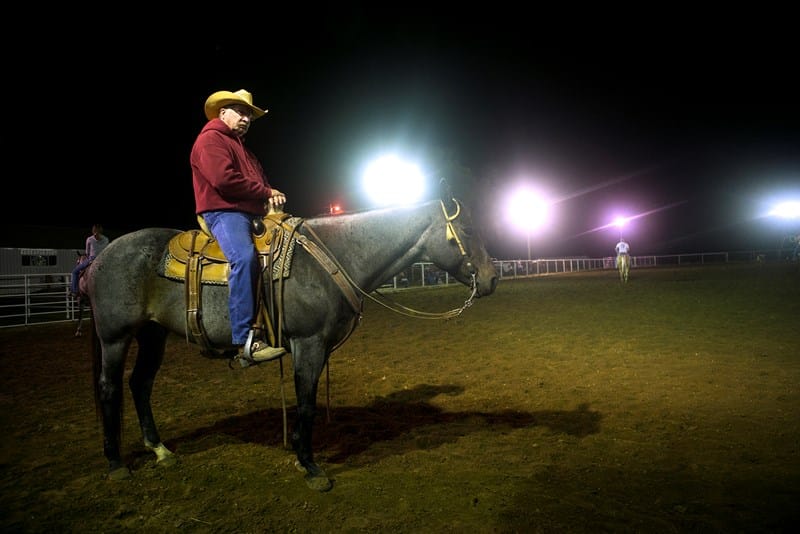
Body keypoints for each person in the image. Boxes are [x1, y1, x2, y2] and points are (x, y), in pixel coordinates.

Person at [190, 89, 287, 364]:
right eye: (241, 112)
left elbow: (259, 184)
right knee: (244, 258)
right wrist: (266, 192)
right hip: (225, 212)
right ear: (223, 113)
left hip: (249, 212)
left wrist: (270, 196)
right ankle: (245, 340)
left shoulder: (243, 149)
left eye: (249, 115)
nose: (246, 119)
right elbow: (224, 181)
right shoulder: (211, 140)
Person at [70, 224, 109, 296]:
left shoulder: (89, 239)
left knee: (75, 272)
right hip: (103, 260)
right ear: (101, 231)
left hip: (92, 259)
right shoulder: (106, 239)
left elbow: (87, 253)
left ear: (93, 230)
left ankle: (74, 291)